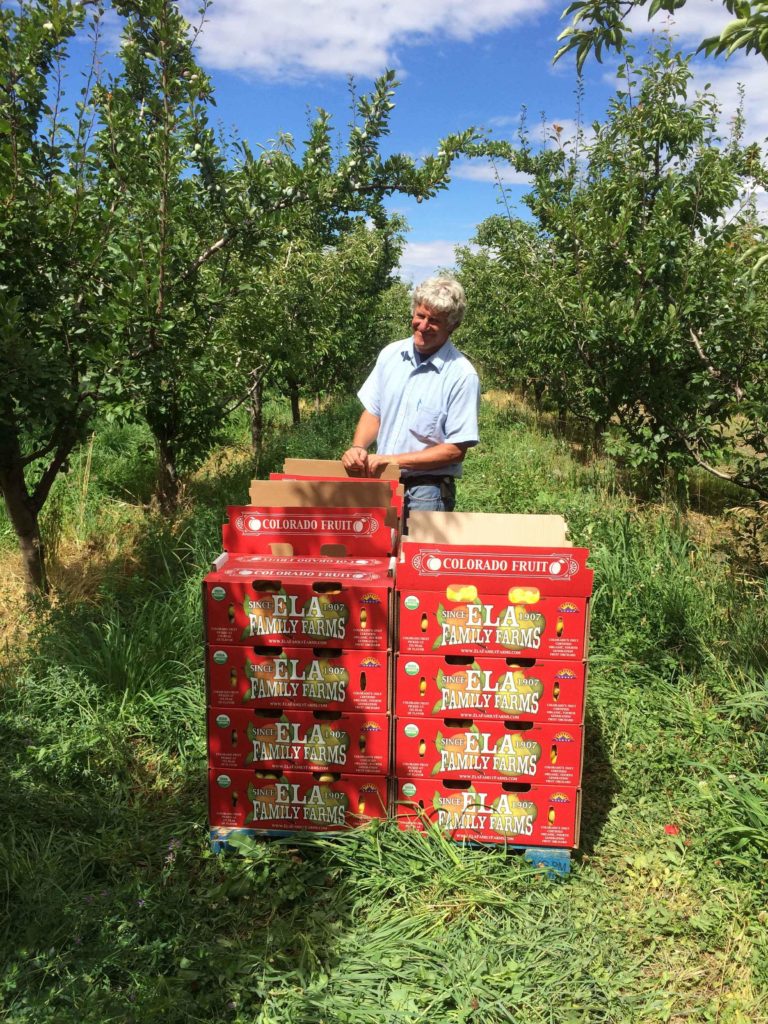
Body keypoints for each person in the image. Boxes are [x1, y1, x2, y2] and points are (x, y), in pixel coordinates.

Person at [341, 276, 480, 519]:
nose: (423, 326)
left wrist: (392, 459)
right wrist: (358, 447)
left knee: (418, 554)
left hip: (428, 491)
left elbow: (455, 450)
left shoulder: (461, 375)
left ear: (453, 326)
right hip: (382, 483)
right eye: (420, 316)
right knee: (380, 552)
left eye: (434, 321)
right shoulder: (391, 355)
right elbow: (375, 411)